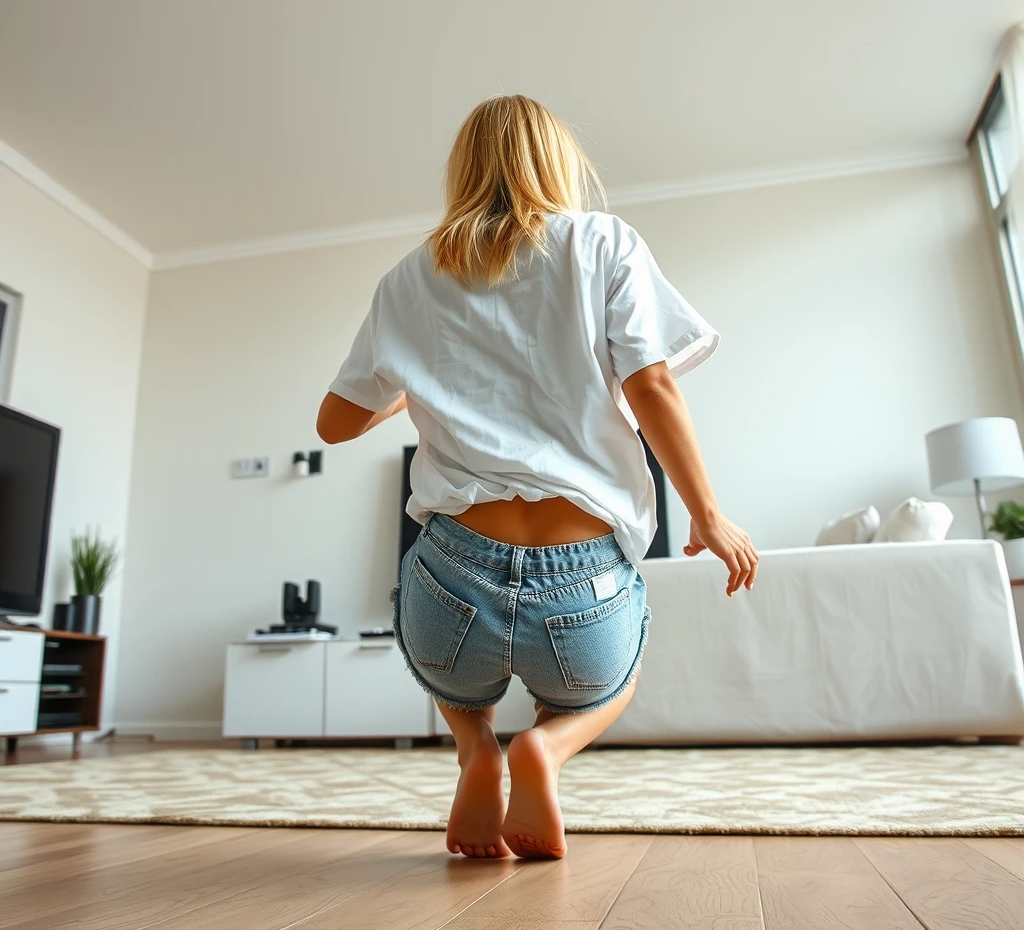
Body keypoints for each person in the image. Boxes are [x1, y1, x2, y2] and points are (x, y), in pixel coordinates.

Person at [317, 95, 757, 861]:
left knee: (448, 671)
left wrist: (412, 382)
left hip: (450, 586)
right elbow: (651, 388)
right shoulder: (602, 243)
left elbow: (336, 423)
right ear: (556, 162)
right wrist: (708, 515)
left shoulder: (408, 278)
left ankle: (476, 746)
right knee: (625, 667)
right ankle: (544, 752)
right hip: (583, 587)